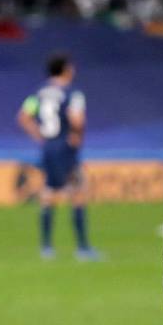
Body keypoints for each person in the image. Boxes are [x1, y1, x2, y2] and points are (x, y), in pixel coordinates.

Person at [16, 53, 98, 260]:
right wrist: (76, 135)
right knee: (78, 191)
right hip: (65, 146)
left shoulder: (40, 92)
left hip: (49, 146)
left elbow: (24, 116)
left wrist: (41, 136)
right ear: (65, 69)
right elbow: (77, 120)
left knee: (49, 192)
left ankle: (46, 247)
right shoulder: (73, 93)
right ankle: (83, 248)